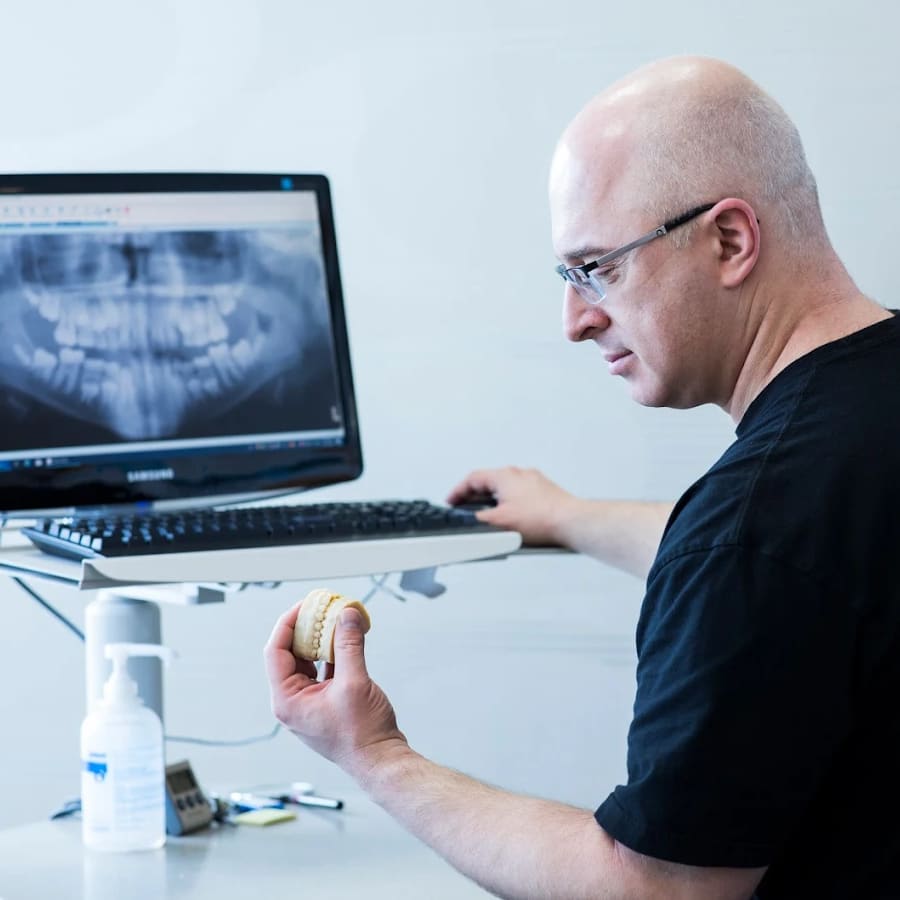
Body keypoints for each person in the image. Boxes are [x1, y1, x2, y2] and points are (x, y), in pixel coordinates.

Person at [264, 55, 900, 899]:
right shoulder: (856, 425)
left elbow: (655, 890)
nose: (576, 321)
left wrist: (373, 755)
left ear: (730, 239)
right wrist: (567, 516)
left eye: (597, 267)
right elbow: (811, 576)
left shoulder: (756, 529)